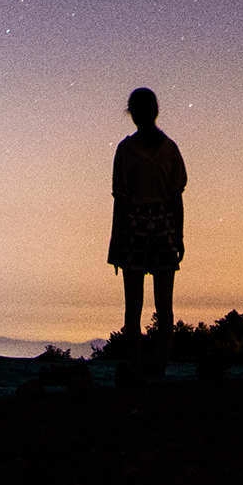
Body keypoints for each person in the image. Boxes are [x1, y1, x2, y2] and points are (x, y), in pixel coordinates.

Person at [106, 85, 185, 344]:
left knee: (134, 306)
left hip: (134, 230)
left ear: (132, 113)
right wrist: (179, 236)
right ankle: (159, 364)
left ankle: (137, 365)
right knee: (163, 306)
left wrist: (116, 242)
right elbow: (176, 198)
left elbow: (121, 200)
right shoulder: (170, 149)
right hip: (162, 229)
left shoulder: (126, 150)